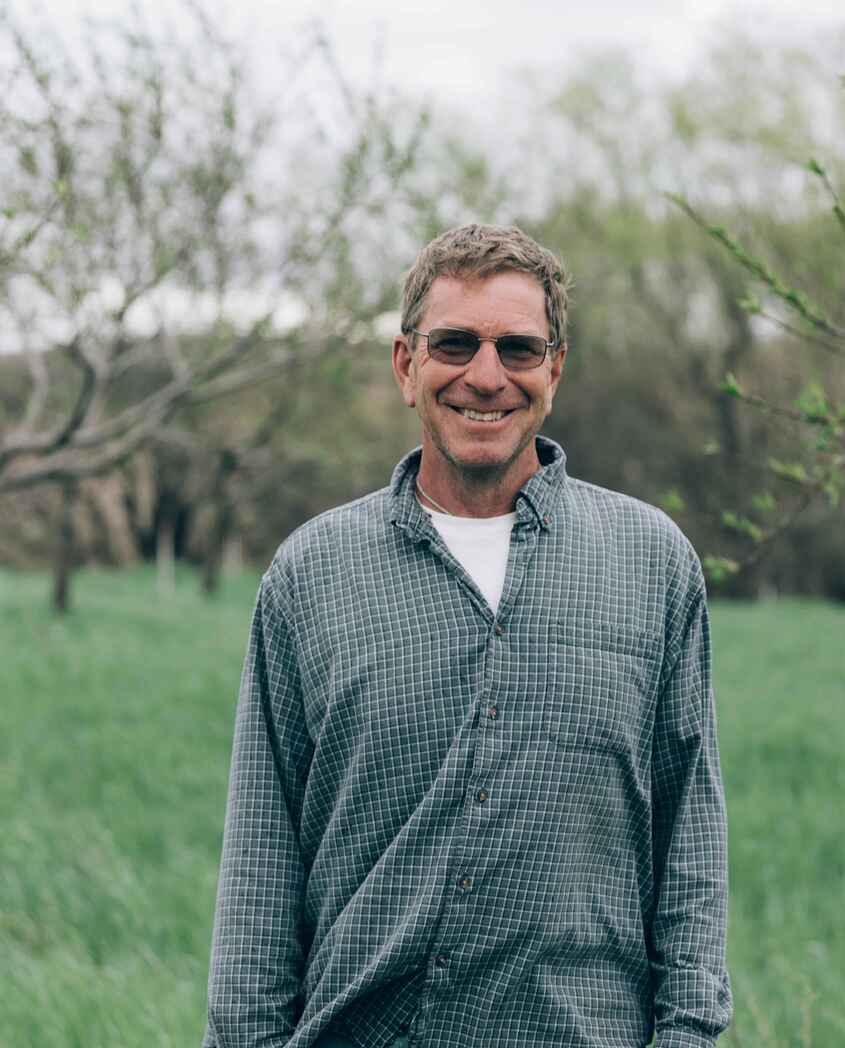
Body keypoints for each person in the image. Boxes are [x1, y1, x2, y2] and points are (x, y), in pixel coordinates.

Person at [201, 223, 733, 1048]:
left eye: (518, 349)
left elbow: (689, 849)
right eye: (454, 343)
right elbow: (262, 866)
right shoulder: (310, 575)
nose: (486, 377)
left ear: (555, 369)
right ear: (405, 365)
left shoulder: (652, 564)